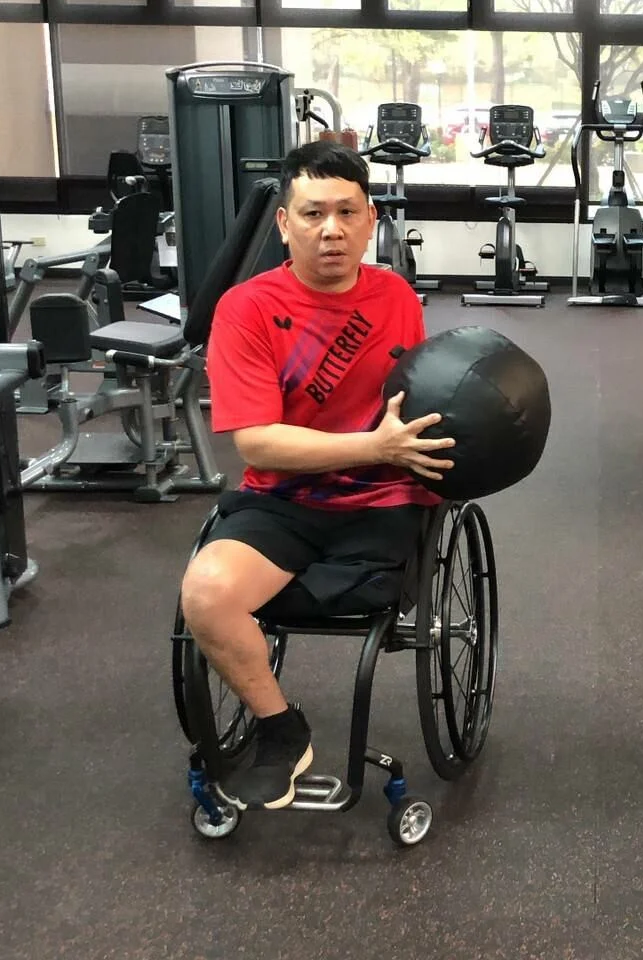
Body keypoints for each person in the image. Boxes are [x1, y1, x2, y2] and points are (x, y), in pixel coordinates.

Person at [178, 140, 454, 812]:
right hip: (286, 499)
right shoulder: (245, 309)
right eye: (311, 214)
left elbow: (415, 402)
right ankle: (281, 727)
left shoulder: (395, 296)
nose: (330, 230)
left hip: (385, 500)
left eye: (345, 213)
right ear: (283, 223)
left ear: (369, 220)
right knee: (207, 595)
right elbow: (259, 445)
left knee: (364, 593)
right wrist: (373, 449)